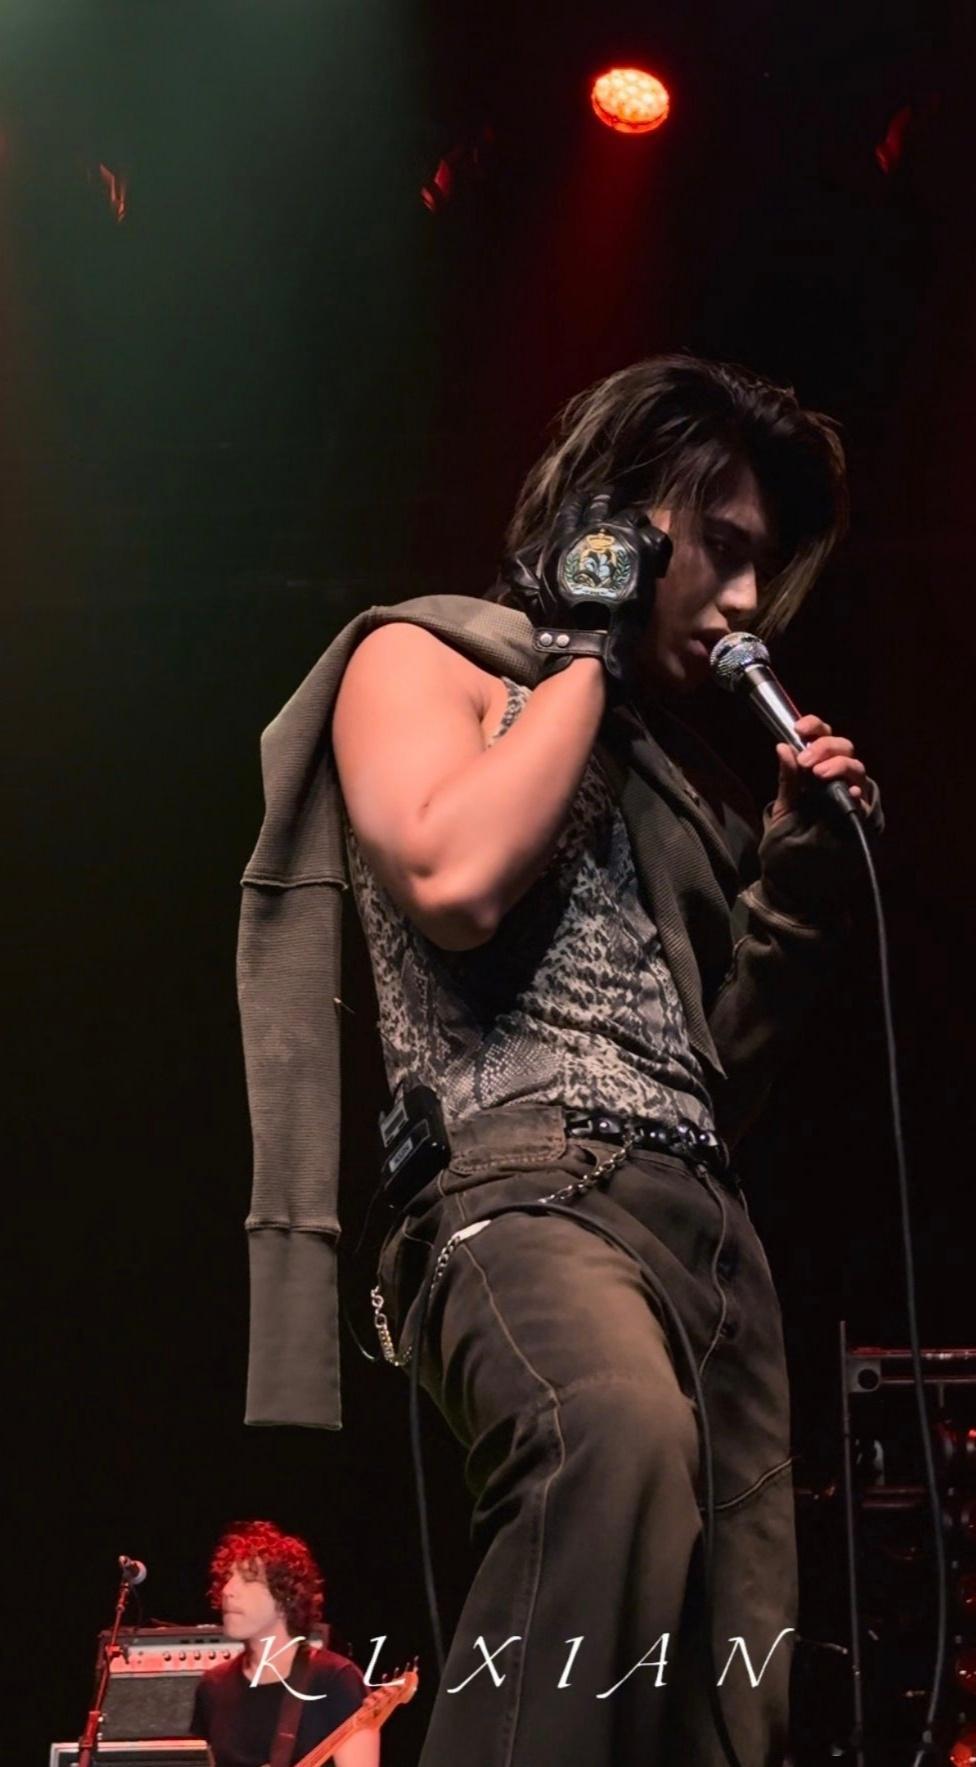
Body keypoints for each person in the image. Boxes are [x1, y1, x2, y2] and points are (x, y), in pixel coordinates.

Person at [236, 354, 882, 1767]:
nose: (744, 603)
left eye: (762, 569)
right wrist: (586, 637)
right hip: (526, 1191)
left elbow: (715, 1077)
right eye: (720, 549)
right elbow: (454, 874)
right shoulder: (425, 658)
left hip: (705, 1238)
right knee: (609, 1436)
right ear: (624, 519)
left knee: (731, 1684)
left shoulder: (669, 782)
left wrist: (793, 884)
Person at [191, 1520, 377, 1767]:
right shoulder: (212, 1687)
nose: (227, 1590)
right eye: (228, 1577)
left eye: (248, 1579)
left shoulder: (335, 1680)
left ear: (285, 1595)